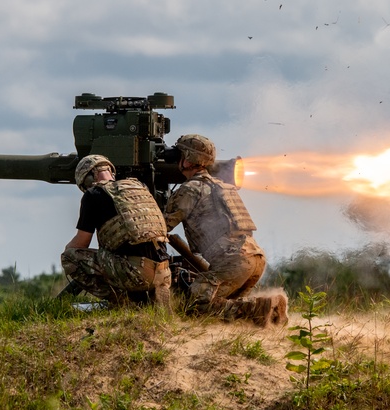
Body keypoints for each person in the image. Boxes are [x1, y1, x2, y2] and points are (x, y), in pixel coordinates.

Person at [163, 134, 288, 327]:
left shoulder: (190, 189)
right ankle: (268, 312)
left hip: (232, 262)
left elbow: (163, 226)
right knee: (223, 306)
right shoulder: (222, 186)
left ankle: (261, 307)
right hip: (254, 258)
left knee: (194, 305)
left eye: (179, 154)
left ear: (188, 159)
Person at [61, 154, 171, 307]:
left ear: (88, 178)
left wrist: (68, 250)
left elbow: (82, 242)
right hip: (164, 273)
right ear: (111, 172)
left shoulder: (93, 195)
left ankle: (126, 303)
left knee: (70, 257)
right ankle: (145, 301)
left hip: (136, 273)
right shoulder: (140, 188)